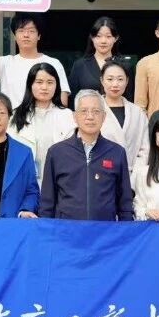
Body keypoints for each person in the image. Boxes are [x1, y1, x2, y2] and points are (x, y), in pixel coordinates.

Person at [38, 90, 134, 221]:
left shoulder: (117, 152)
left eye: (96, 111)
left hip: (104, 230)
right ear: (74, 116)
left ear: (104, 116)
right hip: (66, 230)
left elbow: (125, 203)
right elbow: (46, 203)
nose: (90, 117)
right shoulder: (56, 152)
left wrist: (126, 229)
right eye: (84, 111)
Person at [0, 9, 70, 107]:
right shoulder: (6, 63)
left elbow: (62, 101)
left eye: (31, 31)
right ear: (14, 36)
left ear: (39, 36)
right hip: (13, 117)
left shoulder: (53, 63)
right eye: (21, 31)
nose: (26, 35)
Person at [8, 63, 75, 187]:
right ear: (30, 85)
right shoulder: (15, 116)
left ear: (57, 86)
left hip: (59, 184)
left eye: (50, 82)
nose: (44, 87)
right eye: (39, 82)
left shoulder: (67, 116)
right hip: (24, 184)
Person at [98, 60, 148, 177]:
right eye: (110, 79)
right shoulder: (93, 110)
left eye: (120, 79)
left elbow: (145, 148)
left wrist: (136, 174)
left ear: (127, 81)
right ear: (102, 80)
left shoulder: (137, 112)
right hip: (101, 175)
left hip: (133, 175)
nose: (115, 84)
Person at [70, 16, 134, 101]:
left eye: (108, 36)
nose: (103, 41)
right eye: (98, 36)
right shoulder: (80, 65)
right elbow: (73, 99)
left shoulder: (125, 66)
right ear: (92, 38)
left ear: (116, 38)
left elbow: (130, 98)